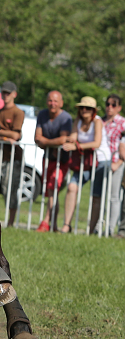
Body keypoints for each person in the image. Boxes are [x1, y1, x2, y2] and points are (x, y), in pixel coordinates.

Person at [58, 97, 110, 234]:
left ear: (93, 110)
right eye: (82, 108)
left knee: (96, 195)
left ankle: (90, 230)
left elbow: (96, 143)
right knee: (71, 187)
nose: (84, 111)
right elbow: (72, 138)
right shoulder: (78, 121)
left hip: (101, 161)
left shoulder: (98, 122)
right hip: (84, 162)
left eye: (88, 108)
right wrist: (69, 140)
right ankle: (66, 225)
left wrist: (76, 146)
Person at [34, 90, 73, 232]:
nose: (53, 103)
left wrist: (46, 141)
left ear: (61, 103)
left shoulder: (65, 118)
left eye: (56, 101)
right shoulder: (42, 115)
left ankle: (46, 221)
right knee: (51, 191)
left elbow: (64, 139)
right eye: (50, 100)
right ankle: (54, 225)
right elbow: (37, 138)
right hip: (48, 158)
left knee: (53, 186)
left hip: (61, 161)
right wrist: (53, 143)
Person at [0, 81, 25, 226]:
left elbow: (16, 135)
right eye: (3, 93)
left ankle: (11, 223)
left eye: (8, 93)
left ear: (14, 95)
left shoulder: (18, 112)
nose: (5, 95)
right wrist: (6, 136)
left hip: (13, 158)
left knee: (10, 189)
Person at [102, 94, 125, 237]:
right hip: (101, 162)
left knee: (114, 197)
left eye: (114, 104)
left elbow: (124, 145)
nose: (110, 107)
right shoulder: (100, 121)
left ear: (119, 108)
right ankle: (98, 227)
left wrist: (119, 163)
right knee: (99, 195)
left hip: (117, 162)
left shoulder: (123, 122)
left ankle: (110, 229)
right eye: (108, 104)